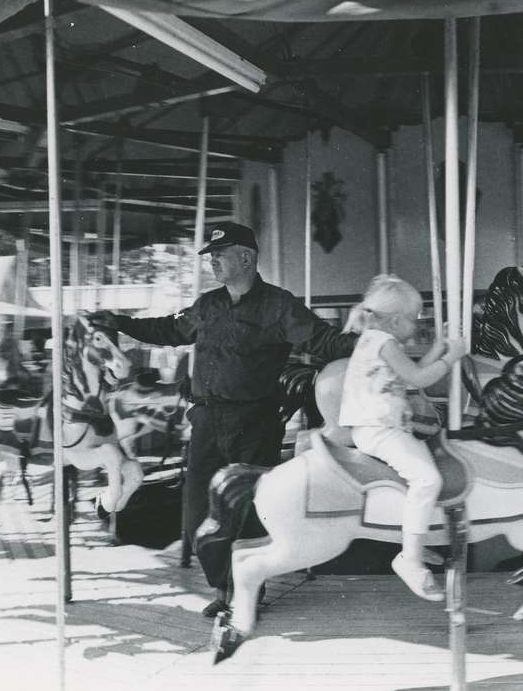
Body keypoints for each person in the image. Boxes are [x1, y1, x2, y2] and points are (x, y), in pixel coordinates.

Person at [87, 223, 356, 616]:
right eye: (212, 255)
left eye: (220, 254)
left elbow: (321, 340)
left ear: (245, 258)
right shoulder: (208, 305)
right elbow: (168, 329)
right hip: (208, 420)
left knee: (248, 511)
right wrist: (121, 323)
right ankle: (224, 585)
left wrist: (363, 340)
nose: (212, 261)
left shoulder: (278, 305)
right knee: (198, 511)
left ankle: (247, 590)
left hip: (254, 422)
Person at [338, 275, 466, 602]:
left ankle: (416, 543)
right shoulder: (384, 342)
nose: (416, 325)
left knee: (423, 470)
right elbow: (420, 377)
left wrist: (439, 347)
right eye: (415, 319)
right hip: (379, 429)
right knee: (427, 479)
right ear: (396, 321)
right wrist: (452, 358)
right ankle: (408, 559)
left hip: (376, 427)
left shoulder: (372, 339)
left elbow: (410, 375)